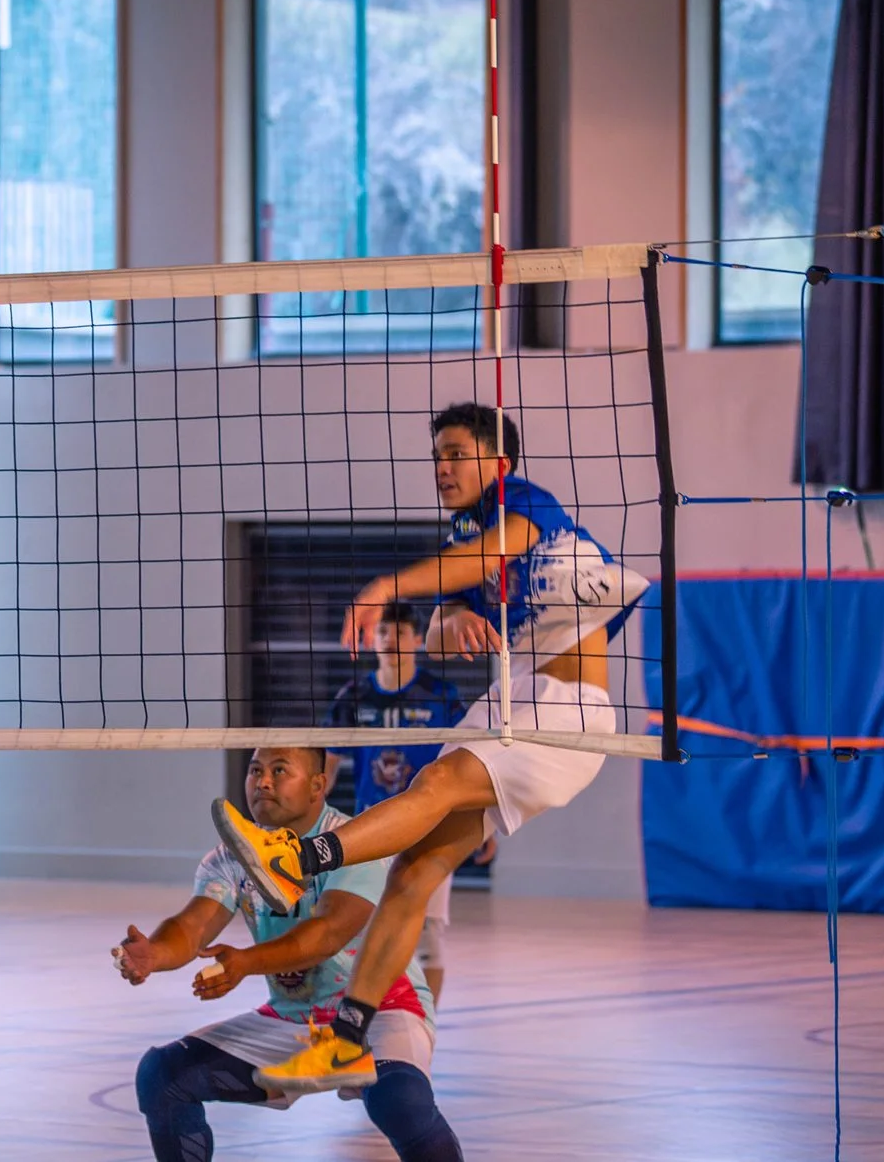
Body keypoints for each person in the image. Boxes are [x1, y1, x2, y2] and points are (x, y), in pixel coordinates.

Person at [212, 403, 650, 1090]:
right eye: (437, 456)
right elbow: (447, 624)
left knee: (434, 786)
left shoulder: (525, 504)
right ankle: (350, 1037)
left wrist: (390, 585)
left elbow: (477, 559)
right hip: (509, 702)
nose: (443, 468)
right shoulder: (468, 531)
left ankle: (297, 856)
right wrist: (456, 622)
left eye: (456, 454)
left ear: (496, 464)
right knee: (412, 874)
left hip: (564, 714)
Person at [116, 747, 462, 1162]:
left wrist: (245, 962)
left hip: (380, 1009)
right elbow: (192, 926)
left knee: (399, 1101)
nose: (263, 782)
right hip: (296, 1017)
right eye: (256, 770)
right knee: (162, 1076)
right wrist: (155, 952)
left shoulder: (356, 841)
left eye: (280, 771)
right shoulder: (232, 856)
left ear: (319, 785)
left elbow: (328, 932)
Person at [321, 601, 477, 1001]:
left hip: (431, 829)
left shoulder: (440, 696)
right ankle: (359, 1014)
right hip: (374, 831)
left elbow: (468, 762)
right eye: (382, 632)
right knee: (357, 928)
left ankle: (426, 1023)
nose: (390, 640)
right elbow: (326, 769)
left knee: (428, 937)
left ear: (417, 640)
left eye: (400, 632)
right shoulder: (353, 698)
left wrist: (481, 823)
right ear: (371, 640)